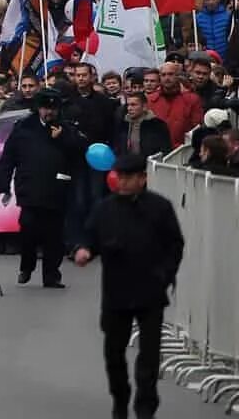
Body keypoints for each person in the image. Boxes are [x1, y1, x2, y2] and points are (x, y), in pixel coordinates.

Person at [75, 152, 185, 419]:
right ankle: (120, 398)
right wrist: (84, 249)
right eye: (119, 177)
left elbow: (175, 244)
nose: (122, 183)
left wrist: (165, 274)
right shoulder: (105, 208)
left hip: (150, 289)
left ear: (142, 179)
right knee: (114, 352)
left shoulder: (160, 207)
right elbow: (89, 235)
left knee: (149, 354)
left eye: (128, 178)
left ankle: (146, 406)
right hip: (116, 289)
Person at [0, 88, 84, 288]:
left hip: (57, 188)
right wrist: (3, 183)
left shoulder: (66, 128)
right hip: (30, 187)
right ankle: (27, 265)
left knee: (54, 235)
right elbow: (8, 157)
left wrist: (63, 138)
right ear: (38, 108)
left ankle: (51, 274)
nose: (49, 113)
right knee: (28, 228)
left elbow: (80, 152)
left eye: (53, 108)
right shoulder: (24, 127)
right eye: (45, 108)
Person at [112, 90, 173, 160]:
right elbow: (117, 148)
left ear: (144, 106)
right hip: (125, 167)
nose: (129, 108)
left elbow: (165, 151)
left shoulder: (158, 125)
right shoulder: (123, 124)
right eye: (128, 105)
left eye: (133, 105)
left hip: (148, 168)